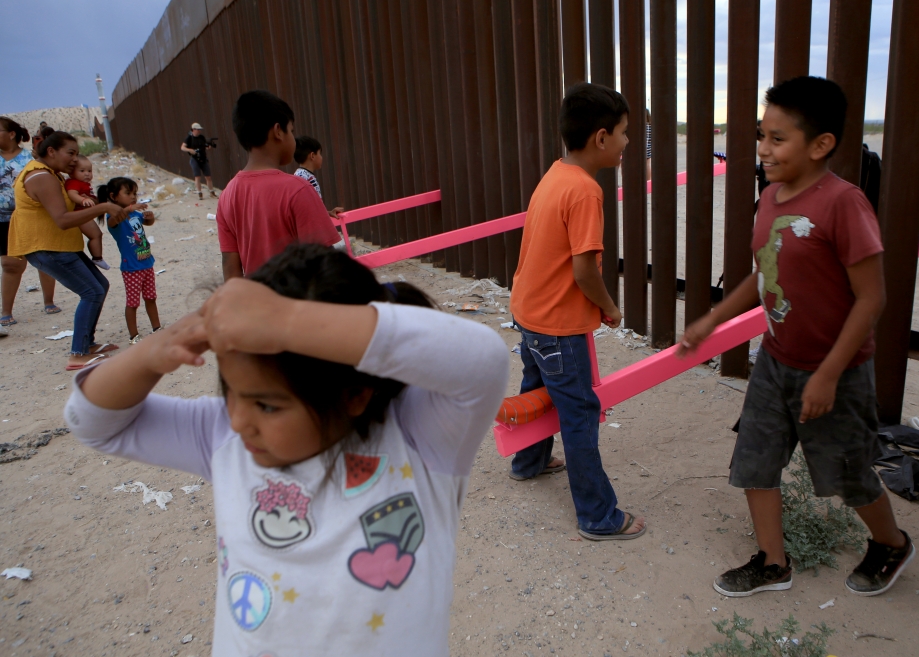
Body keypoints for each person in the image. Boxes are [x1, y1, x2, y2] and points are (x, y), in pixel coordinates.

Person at [63, 243, 508, 656]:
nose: (239, 419)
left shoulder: (420, 438)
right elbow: (94, 424)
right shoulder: (222, 437)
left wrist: (286, 322)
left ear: (355, 395)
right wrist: (148, 355)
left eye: (267, 405)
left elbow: (483, 359)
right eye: (231, 392)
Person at [679, 76, 913, 598]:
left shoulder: (844, 204)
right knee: (754, 459)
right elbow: (764, 274)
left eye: (777, 139)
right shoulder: (769, 198)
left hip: (838, 372)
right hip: (775, 359)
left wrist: (827, 375)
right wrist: (712, 320)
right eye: (761, 136)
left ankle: (891, 543)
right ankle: (772, 562)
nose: (763, 149)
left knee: (848, 472)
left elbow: (872, 298)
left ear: (821, 144)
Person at [508, 83, 644, 542]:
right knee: (580, 412)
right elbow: (584, 269)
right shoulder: (586, 191)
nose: (627, 142)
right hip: (558, 326)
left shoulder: (557, 173)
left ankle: (528, 461)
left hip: (530, 312)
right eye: (624, 132)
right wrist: (608, 306)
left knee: (538, 388)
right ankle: (598, 516)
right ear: (601, 137)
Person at [8, 131, 128, 370]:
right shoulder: (41, 176)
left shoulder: (50, 174)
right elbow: (62, 219)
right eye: (70, 153)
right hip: (47, 247)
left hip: (60, 245)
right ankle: (78, 354)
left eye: (76, 154)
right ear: (51, 151)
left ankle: (87, 344)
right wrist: (103, 207)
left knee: (100, 286)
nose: (74, 160)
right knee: (91, 292)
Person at [216, 91, 341, 280]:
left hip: (255, 298)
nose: (293, 137)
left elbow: (231, 274)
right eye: (291, 130)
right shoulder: (298, 190)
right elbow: (325, 269)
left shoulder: (227, 196)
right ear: (278, 131)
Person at [1, 116, 59, 331]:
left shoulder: (30, 158)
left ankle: (49, 301)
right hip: (3, 220)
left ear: (11, 134)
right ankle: (6, 312)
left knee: (43, 258)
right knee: (11, 264)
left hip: (31, 216)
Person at [100, 177, 161, 344]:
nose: (133, 196)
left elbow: (147, 223)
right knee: (133, 303)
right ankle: (134, 336)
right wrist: (129, 208)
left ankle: (157, 328)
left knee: (151, 298)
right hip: (132, 268)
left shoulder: (135, 214)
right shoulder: (113, 217)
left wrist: (149, 217)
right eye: (128, 193)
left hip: (146, 263)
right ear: (113, 196)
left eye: (135, 193)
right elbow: (113, 222)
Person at [65, 157, 110, 270]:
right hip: (79, 214)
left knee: (97, 235)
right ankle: (97, 257)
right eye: (82, 171)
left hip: (83, 213)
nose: (87, 174)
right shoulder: (74, 183)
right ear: (71, 172)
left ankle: (97, 257)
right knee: (95, 235)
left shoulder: (83, 184)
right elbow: (72, 194)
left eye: (89, 171)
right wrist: (82, 200)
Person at [180, 122, 217, 200]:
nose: (199, 131)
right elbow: (183, 147)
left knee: (208, 176)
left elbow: (204, 146)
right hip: (195, 159)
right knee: (197, 176)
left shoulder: (202, 137)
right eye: (198, 129)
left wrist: (208, 147)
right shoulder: (189, 138)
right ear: (193, 130)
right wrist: (190, 150)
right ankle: (200, 193)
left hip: (203, 158)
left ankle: (211, 192)